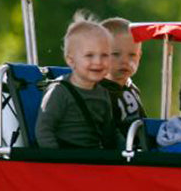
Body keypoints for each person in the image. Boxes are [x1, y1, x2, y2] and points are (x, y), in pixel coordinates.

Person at [35, 12, 119, 149]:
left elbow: (109, 134)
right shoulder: (59, 91)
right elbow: (43, 130)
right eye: (89, 55)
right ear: (71, 60)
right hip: (65, 160)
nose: (98, 62)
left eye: (104, 55)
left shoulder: (103, 93)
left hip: (93, 161)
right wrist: (56, 160)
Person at [100, 16, 146, 136]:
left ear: (139, 56)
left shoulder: (132, 88)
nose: (125, 61)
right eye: (116, 54)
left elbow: (144, 125)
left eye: (132, 55)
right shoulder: (96, 93)